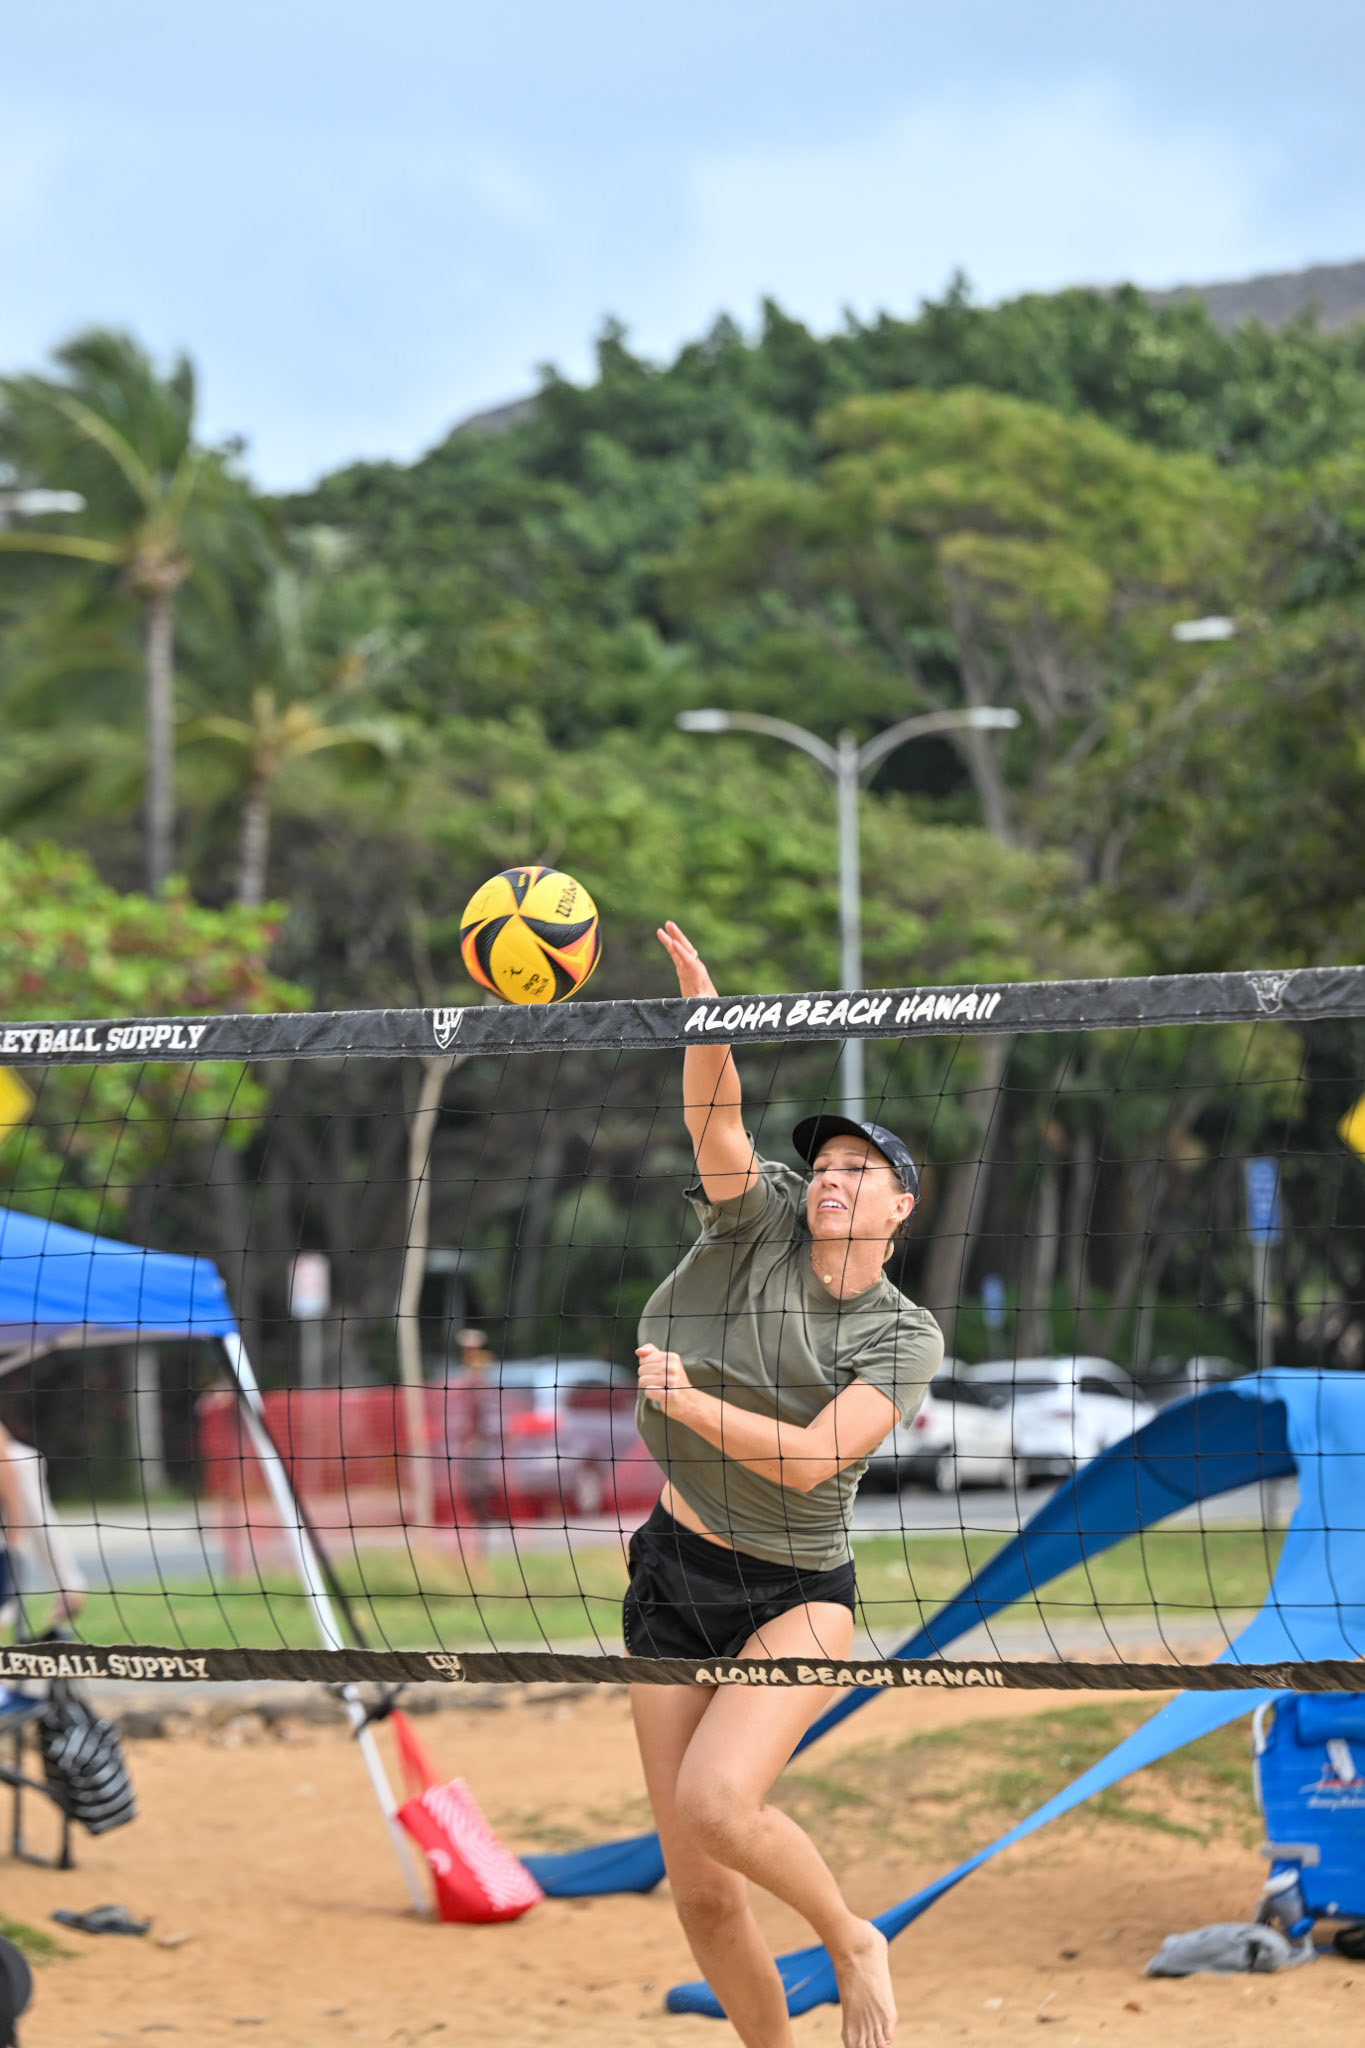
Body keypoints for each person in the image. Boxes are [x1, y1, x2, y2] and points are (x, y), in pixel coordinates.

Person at [628, 921, 944, 2048]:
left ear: (901, 1209)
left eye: (862, 1169)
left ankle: (853, 1936)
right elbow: (716, 1120)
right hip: (673, 1567)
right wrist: (707, 1016)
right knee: (702, 1890)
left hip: (798, 1589)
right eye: (826, 1163)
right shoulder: (757, 1213)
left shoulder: (904, 1334)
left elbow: (815, 1455)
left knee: (721, 1804)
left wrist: (682, 1398)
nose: (833, 1177)